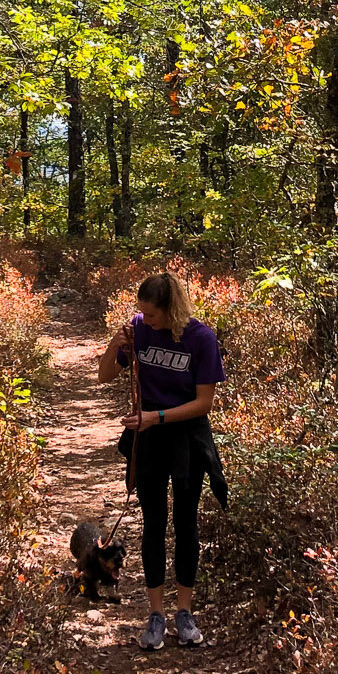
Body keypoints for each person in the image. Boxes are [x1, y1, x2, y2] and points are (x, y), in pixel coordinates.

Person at [97, 270, 226, 651]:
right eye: (141, 314)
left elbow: (204, 403)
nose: (145, 320)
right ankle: (155, 615)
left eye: (151, 315)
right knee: (153, 523)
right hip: (148, 437)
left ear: (171, 310)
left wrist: (160, 417)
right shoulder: (138, 330)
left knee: (186, 522)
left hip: (187, 435)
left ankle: (184, 612)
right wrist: (115, 344)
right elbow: (105, 376)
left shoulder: (201, 339)